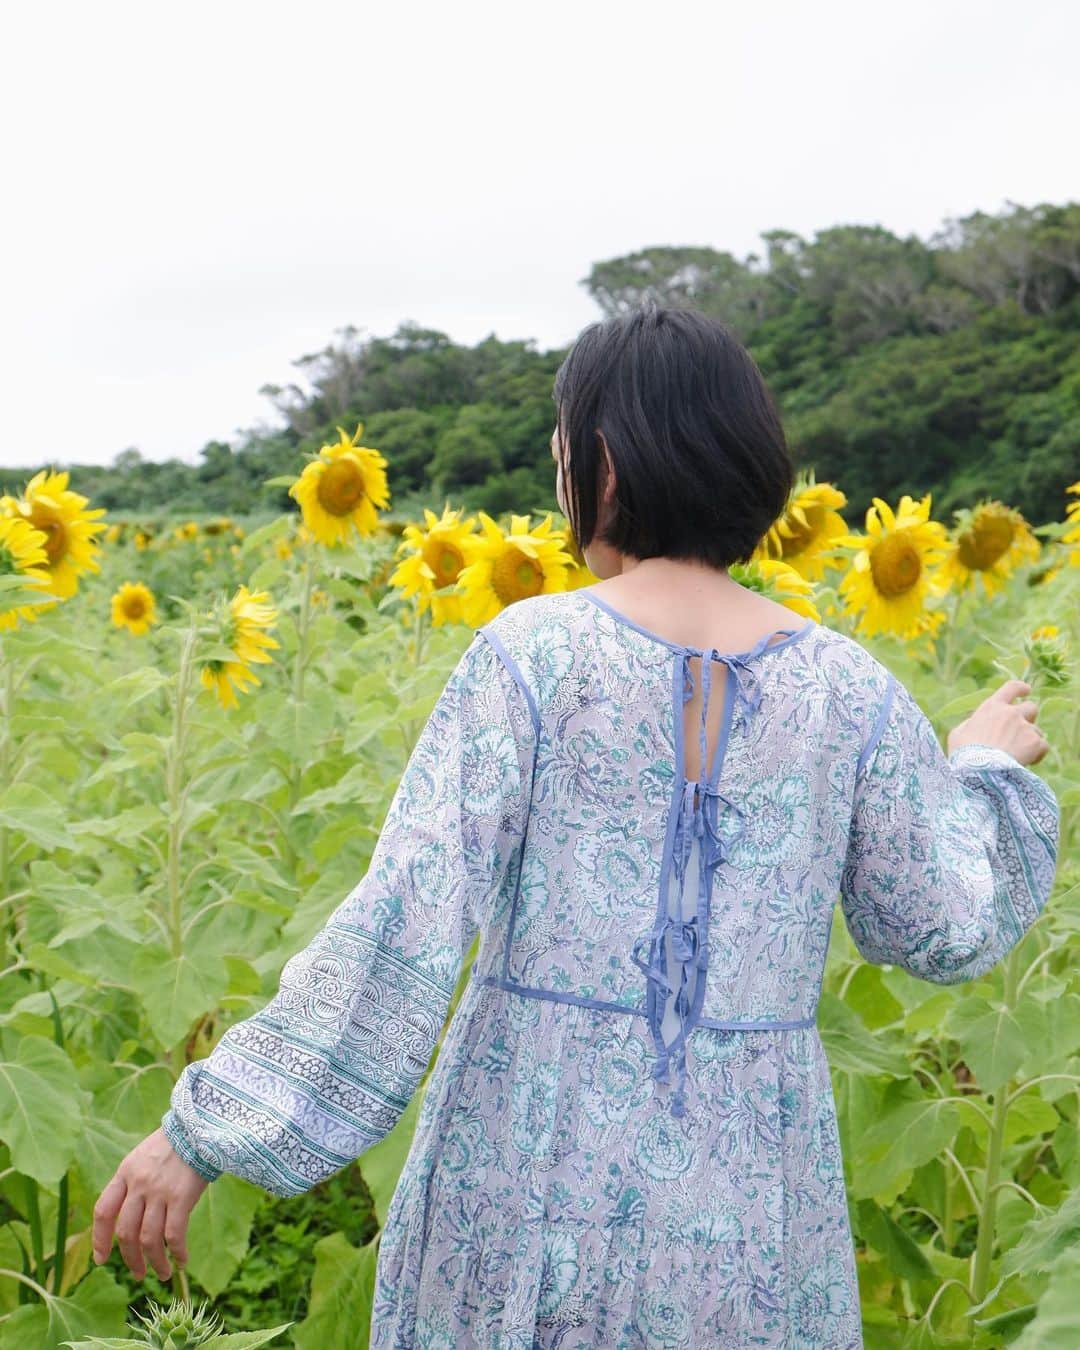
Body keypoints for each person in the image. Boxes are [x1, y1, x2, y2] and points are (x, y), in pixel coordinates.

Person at [92, 305, 1060, 1347]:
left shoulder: (536, 656)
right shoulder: (850, 691)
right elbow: (939, 921)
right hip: (746, 1202)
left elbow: (406, 924)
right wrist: (985, 769)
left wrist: (203, 1131)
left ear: (601, 461)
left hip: (521, 1171)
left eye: (561, 446)